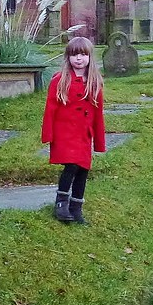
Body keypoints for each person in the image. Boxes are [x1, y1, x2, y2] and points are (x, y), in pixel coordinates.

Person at [41, 36, 106, 224]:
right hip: (65, 133)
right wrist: (48, 135)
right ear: (68, 57)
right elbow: (50, 108)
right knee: (71, 165)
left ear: (90, 57)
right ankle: (61, 203)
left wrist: (99, 142)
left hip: (84, 135)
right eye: (74, 55)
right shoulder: (60, 80)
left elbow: (98, 113)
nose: (79, 58)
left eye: (83, 55)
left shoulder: (94, 82)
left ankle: (76, 207)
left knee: (83, 170)